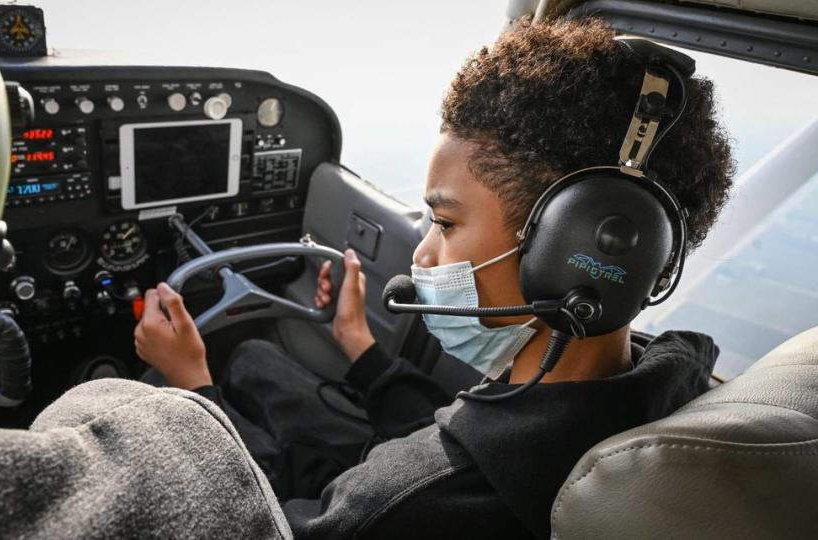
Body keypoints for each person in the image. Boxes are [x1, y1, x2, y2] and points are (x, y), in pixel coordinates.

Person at [134, 18, 734, 539]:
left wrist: (191, 391)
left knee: (230, 372)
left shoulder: (402, 503)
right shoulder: (674, 385)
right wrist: (362, 351)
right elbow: (473, 430)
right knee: (257, 359)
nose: (420, 254)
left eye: (445, 222)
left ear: (571, 250)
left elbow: (257, 524)